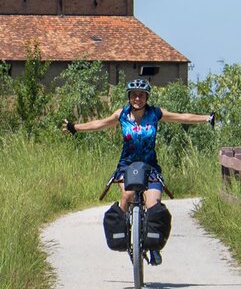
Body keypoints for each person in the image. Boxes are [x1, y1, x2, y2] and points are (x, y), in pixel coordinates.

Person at [62, 77, 214, 265]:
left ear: (147, 97)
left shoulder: (155, 114)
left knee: (153, 205)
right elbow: (99, 124)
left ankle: (154, 247)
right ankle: (124, 236)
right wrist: (75, 128)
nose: (138, 98)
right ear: (129, 97)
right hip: (127, 166)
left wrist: (207, 118)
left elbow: (182, 117)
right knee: (127, 197)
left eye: (141, 95)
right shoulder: (122, 115)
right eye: (134, 95)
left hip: (150, 167)